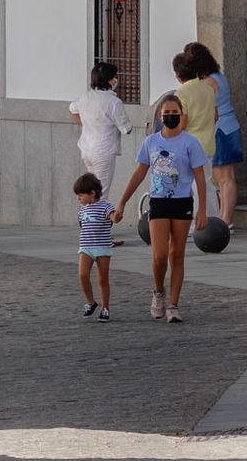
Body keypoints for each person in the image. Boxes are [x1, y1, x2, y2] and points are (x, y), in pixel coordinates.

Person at [114, 93, 208, 322]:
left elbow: (200, 177)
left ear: (182, 116)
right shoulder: (151, 142)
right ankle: (158, 292)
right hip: (158, 202)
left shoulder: (190, 142)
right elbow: (139, 173)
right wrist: (122, 201)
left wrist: (202, 210)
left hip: (182, 203)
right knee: (159, 256)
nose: (171, 117)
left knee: (177, 255)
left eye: (175, 114)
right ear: (160, 117)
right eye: (167, 114)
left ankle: (174, 305)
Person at [181, 40, 242, 225]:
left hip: (221, 130)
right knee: (224, 179)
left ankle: (225, 221)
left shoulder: (208, 82)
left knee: (225, 179)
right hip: (229, 127)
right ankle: (224, 219)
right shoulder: (218, 76)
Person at [68, 61, 133, 204]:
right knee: (100, 194)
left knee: (91, 190)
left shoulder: (85, 97)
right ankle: (96, 223)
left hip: (87, 150)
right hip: (104, 151)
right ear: (110, 79)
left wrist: (86, 123)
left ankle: (89, 221)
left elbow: (72, 109)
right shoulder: (113, 102)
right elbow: (127, 128)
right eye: (115, 76)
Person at [74, 172, 113, 320]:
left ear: (92, 193)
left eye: (80, 195)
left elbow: (113, 217)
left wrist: (116, 216)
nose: (78, 198)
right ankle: (91, 302)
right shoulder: (82, 210)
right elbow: (82, 226)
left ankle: (105, 308)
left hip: (102, 248)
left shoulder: (105, 206)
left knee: (103, 279)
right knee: (83, 275)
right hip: (86, 247)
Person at [172, 50, 218, 175]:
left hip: (190, 146)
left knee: (192, 185)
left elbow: (182, 124)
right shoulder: (208, 89)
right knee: (207, 184)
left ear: (179, 74)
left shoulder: (181, 93)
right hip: (208, 145)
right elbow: (215, 116)